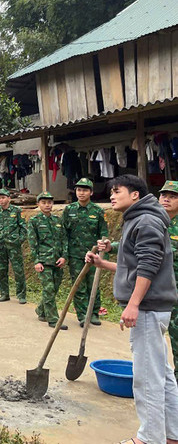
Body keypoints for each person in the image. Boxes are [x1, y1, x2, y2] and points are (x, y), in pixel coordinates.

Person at [87, 175, 178, 444]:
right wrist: (103, 265)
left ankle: (149, 439)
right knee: (162, 374)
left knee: (147, 378)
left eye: (117, 191)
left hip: (148, 308)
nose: (112, 196)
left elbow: (149, 266)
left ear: (135, 195)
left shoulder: (146, 220)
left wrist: (134, 304)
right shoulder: (140, 218)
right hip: (153, 307)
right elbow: (138, 267)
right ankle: (173, 435)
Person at [62, 177, 108, 327]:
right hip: (75, 255)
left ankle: (94, 313)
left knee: (93, 284)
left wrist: (103, 256)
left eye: (85, 190)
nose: (81, 193)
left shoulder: (98, 211)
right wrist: (64, 254)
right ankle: (82, 315)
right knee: (79, 285)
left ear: (91, 192)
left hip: (93, 255)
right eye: (79, 190)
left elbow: (103, 234)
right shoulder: (69, 210)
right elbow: (64, 233)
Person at [28, 191, 68, 330]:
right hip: (44, 261)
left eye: (49, 202)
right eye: (44, 202)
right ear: (38, 204)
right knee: (49, 289)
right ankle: (54, 320)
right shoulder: (34, 221)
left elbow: (64, 240)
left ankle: (41, 310)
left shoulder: (57, 220)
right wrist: (36, 261)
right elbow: (33, 243)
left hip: (57, 260)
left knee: (54, 289)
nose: (47, 205)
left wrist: (64, 256)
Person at [0, 188, 27, 303]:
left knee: (18, 270)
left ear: (9, 198)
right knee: (1, 269)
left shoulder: (16, 211)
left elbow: (23, 228)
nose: (1, 200)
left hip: (13, 245)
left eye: (3, 197)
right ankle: (4, 294)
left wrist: (19, 240)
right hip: (0, 245)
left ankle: (21, 296)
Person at [159, 180, 178, 385]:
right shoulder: (153, 221)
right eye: (164, 195)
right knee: (153, 340)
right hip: (157, 292)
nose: (166, 199)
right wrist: (111, 247)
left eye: (172, 196)